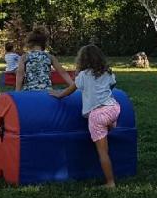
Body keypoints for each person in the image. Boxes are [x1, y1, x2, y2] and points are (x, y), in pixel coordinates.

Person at [50, 44, 121, 188]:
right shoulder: (107, 73)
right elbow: (112, 85)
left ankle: (110, 183)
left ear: (82, 60)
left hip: (97, 115)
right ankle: (111, 123)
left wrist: (58, 94)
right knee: (107, 119)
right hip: (113, 108)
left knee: (103, 152)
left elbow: (70, 90)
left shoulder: (83, 76)